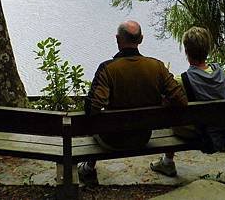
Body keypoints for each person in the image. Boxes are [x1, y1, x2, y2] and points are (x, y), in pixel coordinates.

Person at [78, 20, 187, 186]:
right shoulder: (156, 67)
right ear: (141, 39)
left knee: (96, 123)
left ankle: (88, 168)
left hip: (112, 140)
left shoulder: (108, 69)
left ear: (117, 39)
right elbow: (181, 100)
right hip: (143, 137)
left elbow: (92, 107)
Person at [150, 26, 225, 177]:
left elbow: (165, 105)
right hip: (222, 127)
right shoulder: (220, 72)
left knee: (173, 113)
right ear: (207, 49)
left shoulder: (182, 81)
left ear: (186, 51)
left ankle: (167, 162)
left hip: (200, 132)